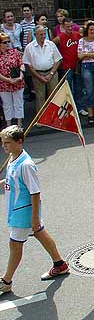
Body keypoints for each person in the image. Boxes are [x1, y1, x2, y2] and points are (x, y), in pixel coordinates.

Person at [0, 125, 69, 295]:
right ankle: (60, 264)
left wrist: (34, 218)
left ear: (19, 142)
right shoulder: (12, 157)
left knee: (14, 244)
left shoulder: (27, 165)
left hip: (23, 211)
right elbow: (13, 181)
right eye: (3, 142)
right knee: (40, 233)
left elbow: (35, 192)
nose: (4, 146)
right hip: (17, 209)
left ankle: (6, 281)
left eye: (7, 143)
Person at [22, 24, 62, 111]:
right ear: (35, 35)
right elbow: (28, 65)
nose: (43, 36)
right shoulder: (29, 47)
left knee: (54, 96)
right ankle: (41, 119)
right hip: (37, 74)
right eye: (41, 34)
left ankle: (55, 117)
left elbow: (57, 60)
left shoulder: (51, 44)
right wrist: (39, 77)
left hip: (52, 73)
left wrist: (51, 74)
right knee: (40, 97)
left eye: (44, 34)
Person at [51, 17, 82, 111]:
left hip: (77, 66)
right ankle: (70, 109)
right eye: (68, 27)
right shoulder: (60, 38)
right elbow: (51, 45)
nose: (70, 28)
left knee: (79, 88)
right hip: (66, 67)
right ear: (63, 27)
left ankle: (79, 107)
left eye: (71, 26)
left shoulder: (77, 35)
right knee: (69, 89)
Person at [0, 33, 25, 128]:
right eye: (4, 42)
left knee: (18, 103)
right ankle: (9, 125)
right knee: (7, 105)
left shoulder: (15, 52)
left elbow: (21, 64)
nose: (7, 44)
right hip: (4, 84)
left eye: (8, 41)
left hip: (18, 82)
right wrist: (8, 80)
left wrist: (21, 76)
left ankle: (19, 124)